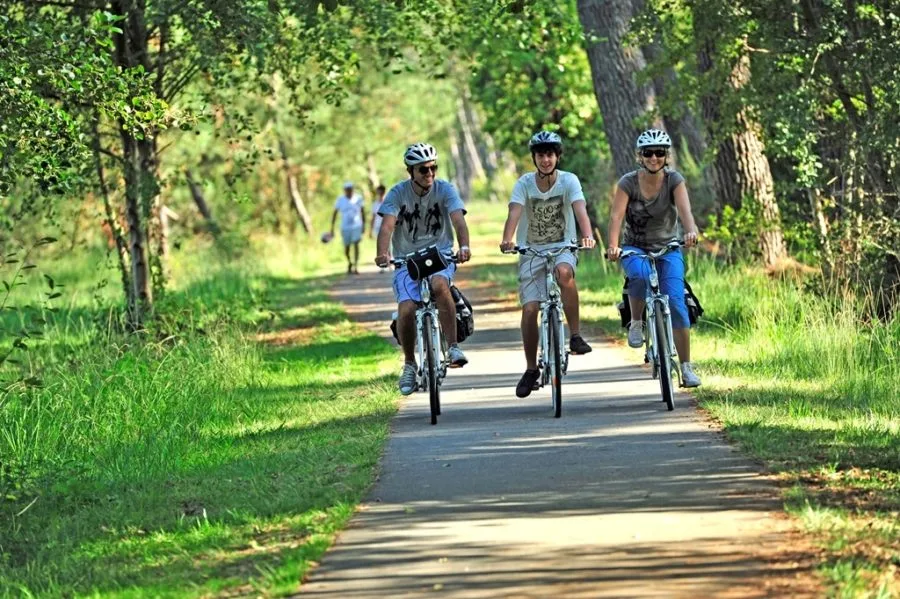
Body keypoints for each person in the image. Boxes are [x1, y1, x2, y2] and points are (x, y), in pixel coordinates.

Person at [499, 131, 597, 399]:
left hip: (563, 247)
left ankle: (575, 336)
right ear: (534, 158)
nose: (545, 160)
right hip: (531, 251)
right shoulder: (524, 184)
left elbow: (580, 210)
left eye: (550, 154)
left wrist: (587, 236)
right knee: (530, 309)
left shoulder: (569, 181)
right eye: (541, 155)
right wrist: (508, 239)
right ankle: (531, 369)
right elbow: (514, 213)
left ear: (557, 157)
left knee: (564, 273)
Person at [606, 128, 702, 387]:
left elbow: (685, 211)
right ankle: (636, 322)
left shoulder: (674, 180)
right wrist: (613, 246)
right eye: (648, 153)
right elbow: (616, 216)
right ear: (640, 156)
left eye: (659, 153)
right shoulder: (628, 182)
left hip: (668, 247)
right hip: (635, 247)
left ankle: (686, 367)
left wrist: (691, 231)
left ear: (666, 155)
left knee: (677, 304)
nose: (654, 158)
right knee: (637, 276)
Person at [375, 142, 471, 395]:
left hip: (440, 255)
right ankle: (409, 364)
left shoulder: (445, 189)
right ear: (411, 172)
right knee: (406, 307)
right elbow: (387, 226)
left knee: (440, 286)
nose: (429, 174)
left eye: (433, 168)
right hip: (407, 260)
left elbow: (458, 219)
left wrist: (464, 246)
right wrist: (382, 254)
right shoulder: (397, 194)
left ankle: (452, 346)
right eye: (423, 170)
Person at [330, 181, 365, 274]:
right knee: (347, 247)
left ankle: (356, 265)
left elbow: (362, 211)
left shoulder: (358, 198)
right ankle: (349, 262)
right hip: (345, 227)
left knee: (356, 244)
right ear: (344, 190)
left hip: (356, 225)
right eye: (347, 189)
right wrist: (332, 228)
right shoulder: (340, 200)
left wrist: (363, 225)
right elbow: (335, 213)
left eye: (350, 189)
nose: (349, 191)